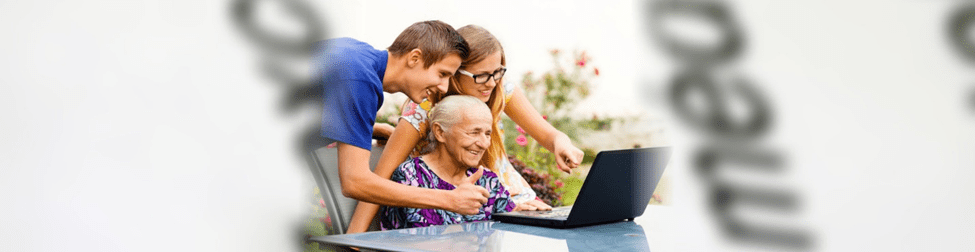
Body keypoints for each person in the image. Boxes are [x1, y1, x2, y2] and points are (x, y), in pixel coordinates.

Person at [348, 24, 585, 233]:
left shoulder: (500, 91)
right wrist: (353, 241)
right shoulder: (424, 108)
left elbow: (548, 134)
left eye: (498, 73)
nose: (491, 83)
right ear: (455, 73)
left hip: (509, 201)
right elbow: (379, 177)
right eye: (481, 76)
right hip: (461, 213)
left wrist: (560, 142)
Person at [316, 20, 492, 216]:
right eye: (442, 74)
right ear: (414, 58)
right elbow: (354, 182)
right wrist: (448, 198)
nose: (444, 87)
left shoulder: (357, 57)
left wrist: (373, 130)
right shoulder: (359, 79)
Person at [380, 95, 514, 230]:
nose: (484, 144)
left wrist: (523, 212)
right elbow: (403, 241)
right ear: (440, 132)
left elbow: (510, 230)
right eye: (474, 132)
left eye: (487, 134)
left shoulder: (487, 180)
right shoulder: (411, 177)